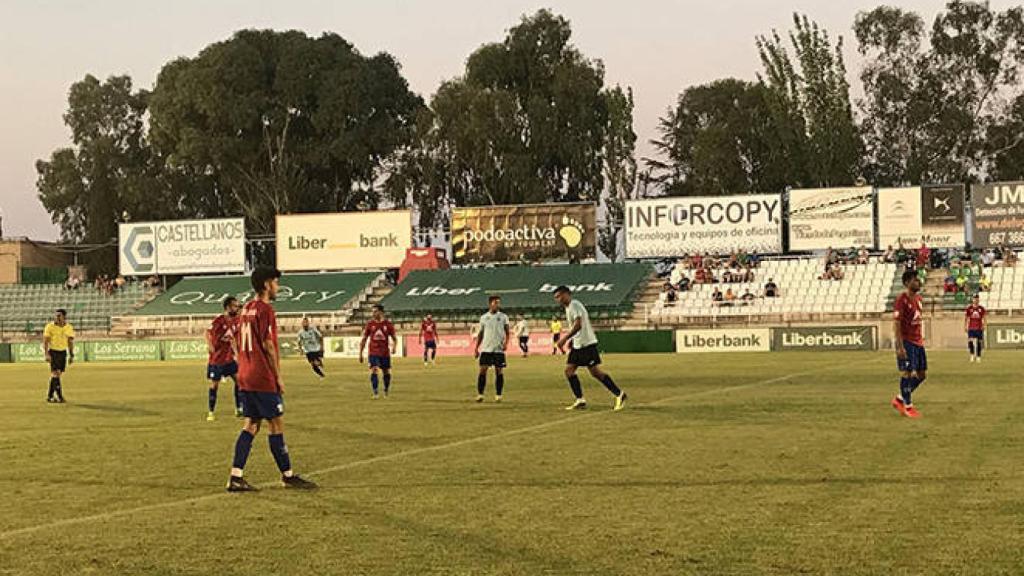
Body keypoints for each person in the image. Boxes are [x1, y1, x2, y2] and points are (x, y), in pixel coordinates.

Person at [227, 266, 316, 492]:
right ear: (267, 284)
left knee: (251, 424)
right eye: (276, 282)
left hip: (245, 374)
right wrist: (278, 377)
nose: (278, 287)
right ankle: (288, 476)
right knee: (275, 423)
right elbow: (268, 345)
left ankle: (236, 476)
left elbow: (236, 339)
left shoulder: (246, 308)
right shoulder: (266, 309)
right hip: (261, 375)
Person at [554, 286, 626, 411]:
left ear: (567, 294)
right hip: (578, 345)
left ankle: (619, 394)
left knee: (595, 373)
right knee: (569, 371)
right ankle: (580, 400)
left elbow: (578, 325)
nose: (558, 299)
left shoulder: (574, 304)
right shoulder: (568, 308)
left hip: (586, 344)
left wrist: (564, 339)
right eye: (556, 297)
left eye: (560, 296)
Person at [891, 269, 926, 419]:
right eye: (914, 280)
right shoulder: (902, 299)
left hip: (918, 342)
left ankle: (900, 398)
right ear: (907, 283)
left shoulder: (918, 299)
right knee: (907, 372)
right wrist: (900, 347)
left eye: (918, 279)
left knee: (921, 375)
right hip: (907, 341)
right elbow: (896, 323)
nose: (918, 282)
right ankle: (908, 406)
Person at [206, 296, 242, 421]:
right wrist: (210, 345)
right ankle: (211, 412)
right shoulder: (219, 320)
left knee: (239, 381)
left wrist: (236, 354)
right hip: (216, 360)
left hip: (229, 359)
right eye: (235, 306)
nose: (237, 308)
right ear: (228, 307)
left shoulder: (236, 321)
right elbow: (207, 332)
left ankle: (239, 408)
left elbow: (232, 339)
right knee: (214, 386)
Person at [473, 296, 510, 402]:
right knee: (482, 370)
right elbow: (481, 333)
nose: (497, 305)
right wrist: (476, 348)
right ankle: (480, 394)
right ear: (490, 304)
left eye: (498, 303)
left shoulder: (503, 317)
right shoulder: (484, 317)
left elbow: (507, 332)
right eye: (495, 303)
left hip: (498, 349)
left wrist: (506, 343)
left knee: (499, 371)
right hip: (486, 349)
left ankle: (498, 395)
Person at [359, 305, 398, 399]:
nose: (373, 313)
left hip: (385, 352)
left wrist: (394, 347)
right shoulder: (370, 324)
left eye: (375, 311)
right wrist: (360, 353)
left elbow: (394, 338)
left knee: (386, 371)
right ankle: (375, 392)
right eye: (372, 311)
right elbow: (364, 339)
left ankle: (386, 390)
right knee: (374, 369)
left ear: (381, 312)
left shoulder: (388, 324)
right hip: (373, 352)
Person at [43, 308, 75, 403]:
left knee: (57, 375)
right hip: (53, 352)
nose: (57, 317)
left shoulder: (68, 327)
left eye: (59, 316)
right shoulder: (50, 326)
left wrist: (71, 354)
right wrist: (46, 354)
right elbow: (45, 341)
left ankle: (51, 396)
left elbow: (70, 342)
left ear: (64, 317)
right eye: (56, 316)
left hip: (62, 352)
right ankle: (58, 397)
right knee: (55, 374)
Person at [964, 294, 987, 363]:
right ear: (972, 300)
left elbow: (984, 318)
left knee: (979, 342)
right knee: (970, 341)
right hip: (971, 327)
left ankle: (978, 356)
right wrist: (965, 326)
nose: (976, 300)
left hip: (979, 327)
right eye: (974, 298)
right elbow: (966, 318)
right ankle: (972, 355)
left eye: (977, 298)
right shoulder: (969, 308)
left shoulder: (981, 308)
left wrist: (984, 325)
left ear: (978, 300)